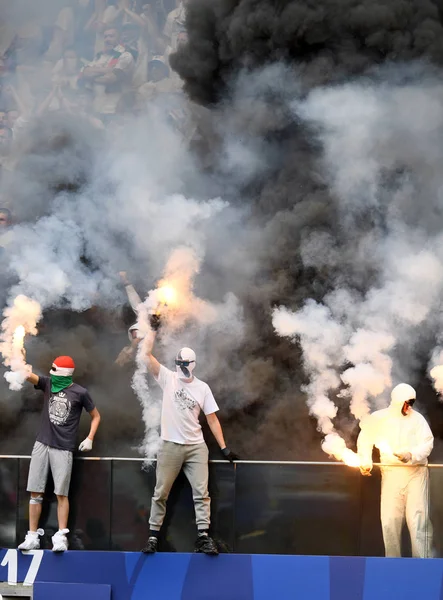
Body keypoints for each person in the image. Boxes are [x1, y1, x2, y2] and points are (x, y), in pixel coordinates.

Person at [140, 319, 237, 556]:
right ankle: (153, 536)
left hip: (195, 446)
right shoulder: (168, 378)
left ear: (193, 364)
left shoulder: (202, 388)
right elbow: (146, 356)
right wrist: (151, 330)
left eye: (185, 363)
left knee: (201, 494)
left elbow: (212, 419)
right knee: (161, 492)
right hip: (171, 445)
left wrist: (224, 448)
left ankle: (203, 537)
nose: (182, 366)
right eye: (179, 362)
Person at [18, 356, 101, 552]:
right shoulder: (47, 384)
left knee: (61, 493)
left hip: (63, 447)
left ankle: (62, 536)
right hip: (42, 444)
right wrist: (16, 360)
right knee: (35, 492)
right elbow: (29, 376)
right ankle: (32, 536)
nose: (51, 373)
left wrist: (90, 437)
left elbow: (96, 416)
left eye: (54, 370)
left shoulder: (80, 392)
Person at [357, 382, 434, 558]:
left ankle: (423, 564)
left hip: (416, 474)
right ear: (398, 401)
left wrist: (411, 454)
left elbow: (427, 443)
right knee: (390, 521)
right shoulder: (379, 418)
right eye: (407, 403)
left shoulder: (418, 420)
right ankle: (392, 563)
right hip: (391, 474)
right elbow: (365, 439)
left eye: (411, 403)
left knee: (417, 521)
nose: (409, 407)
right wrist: (365, 460)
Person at [81, 26, 135, 121]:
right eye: (105, 37)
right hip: (96, 107)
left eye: (111, 36)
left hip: (114, 109)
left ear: (119, 38)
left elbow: (110, 79)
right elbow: (85, 73)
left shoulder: (125, 55)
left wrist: (94, 74)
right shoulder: (99, 56)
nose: (107, 39)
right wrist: (108, 69)